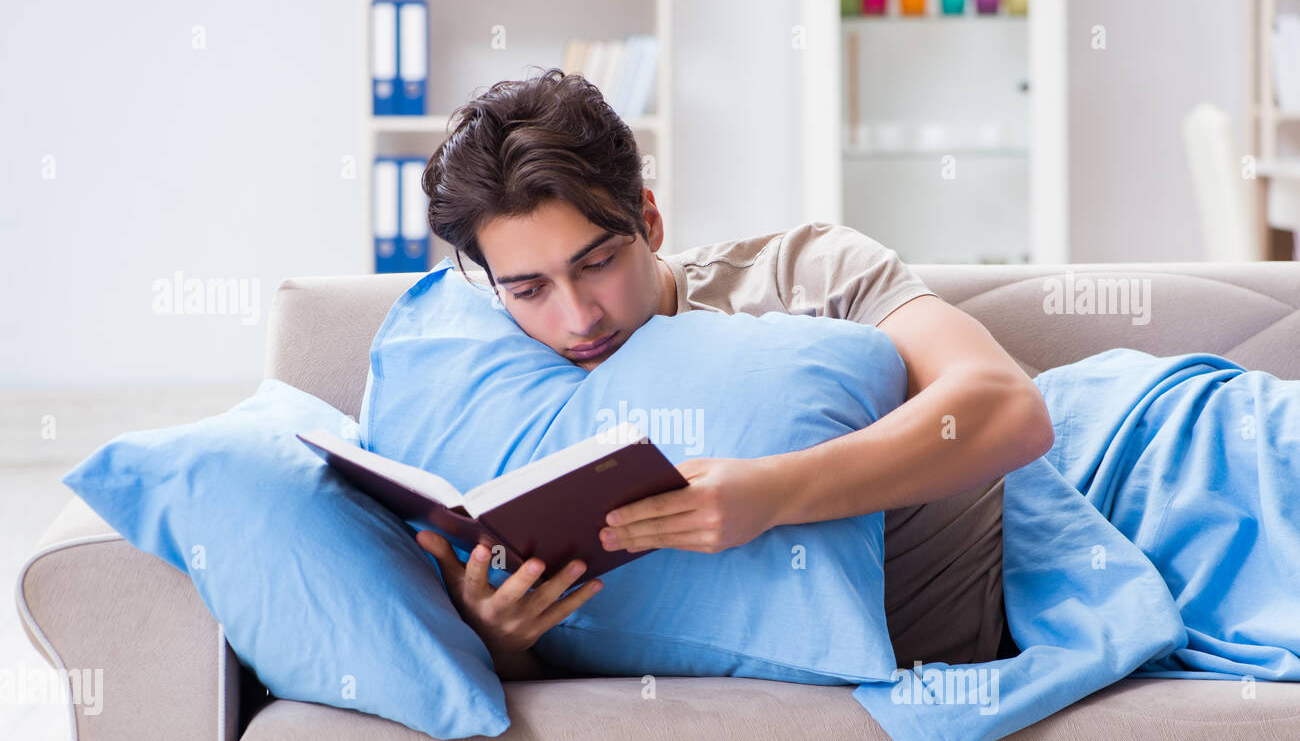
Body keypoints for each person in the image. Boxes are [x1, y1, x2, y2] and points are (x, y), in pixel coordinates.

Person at [413, 68, 1053, 681]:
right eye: (529, 290)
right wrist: (501, 643)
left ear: (650, 219)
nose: (578, 318)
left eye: (598, 262)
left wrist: (776, 493)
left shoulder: (804, 274)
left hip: (1026, 571)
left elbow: (1010, 410)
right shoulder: (506, 388)